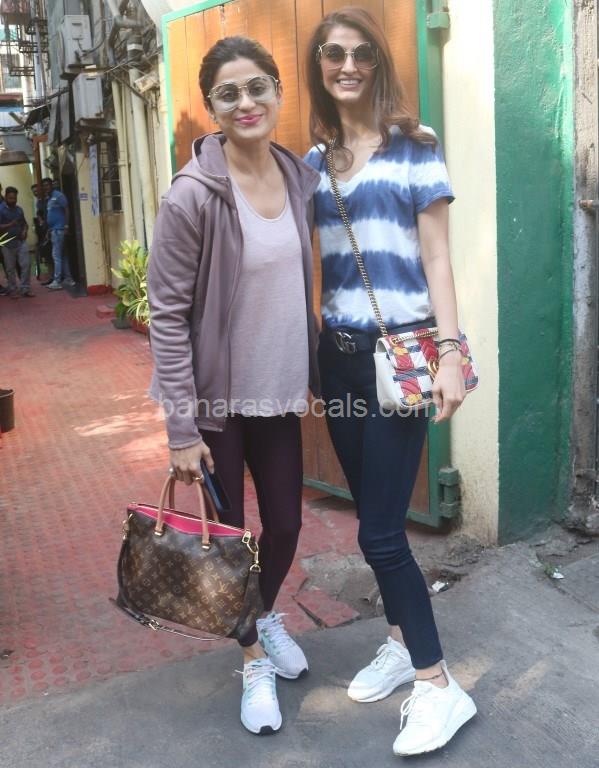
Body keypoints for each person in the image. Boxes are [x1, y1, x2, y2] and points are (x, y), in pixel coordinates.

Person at [304, 7, 476, 757]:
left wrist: (450, 352)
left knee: (378, 530)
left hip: (400, 356)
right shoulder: (311, 164)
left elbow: (437, 258)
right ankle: (403, 644)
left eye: (361, 54)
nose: (347, 65)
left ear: (378, 63)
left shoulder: (415, 150)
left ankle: (438, 684)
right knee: (374, 518)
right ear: (319, 66)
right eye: (333, 53)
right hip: (339, 357)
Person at [147, 36, 320, 736]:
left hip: (279, 392)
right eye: (229, 93)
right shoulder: (191, 195)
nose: (246, 103)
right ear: (212, 107)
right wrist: (180, 429)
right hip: (217, 404)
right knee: (229, 539)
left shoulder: (299, 177)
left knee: (285, 525)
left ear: (277, 92)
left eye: (257, 87)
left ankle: (262, 612)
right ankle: (251, 659)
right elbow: (166, 313)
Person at [0, 186, 33, 298]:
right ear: (5, 197)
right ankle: (12, 289)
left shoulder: (19, 210)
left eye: (15, 198)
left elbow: (25, 224)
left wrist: (24, 231)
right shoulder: (1, 209)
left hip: (20, 242)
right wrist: (10, 225)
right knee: (10, 269)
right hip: (6, 244)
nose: (13, 201)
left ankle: (25, 289)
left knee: (26, 265)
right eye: (10, 198)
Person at [42, 177, 74, 290]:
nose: (46, 187)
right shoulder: (49, 198)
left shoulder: (59, 196)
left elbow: (67, 209)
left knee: (56, 256)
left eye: (47, 185)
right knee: (63, 255)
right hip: (53, 230)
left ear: (52, 185)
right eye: (44, 186)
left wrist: (66, 226)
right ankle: (68, 279)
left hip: (59, 230)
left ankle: (57, 281)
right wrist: (48, 230)